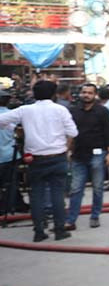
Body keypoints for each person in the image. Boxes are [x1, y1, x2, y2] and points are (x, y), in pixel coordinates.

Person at [0, 79, 77, 241]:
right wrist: (65, 148)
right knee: (57, 195)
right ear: (54, 94)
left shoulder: (25, 110)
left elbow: (2, 120)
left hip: (35, 159)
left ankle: (39, 231)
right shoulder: (60, 110)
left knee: (36, 195)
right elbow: (73, 132)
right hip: (58, 156)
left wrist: (14, 128)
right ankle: (59, 229)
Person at [66, 83, 109, 231]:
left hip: (98, 153)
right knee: (76, 188)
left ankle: (95, 216)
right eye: (84, 92)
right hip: (78, 154)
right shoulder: (73, 111)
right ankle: (71, 220)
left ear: (95, 95)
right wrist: (68, 150)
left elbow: (108, 132)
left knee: (98, 187)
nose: (86, 95)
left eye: (89, 92)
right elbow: (70, 133)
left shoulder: (103, 111)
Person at [0, 90, 19, 216]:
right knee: (11, 183)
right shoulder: (13, 116)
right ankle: (9, 207)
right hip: (11, 154)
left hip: (5, 155)